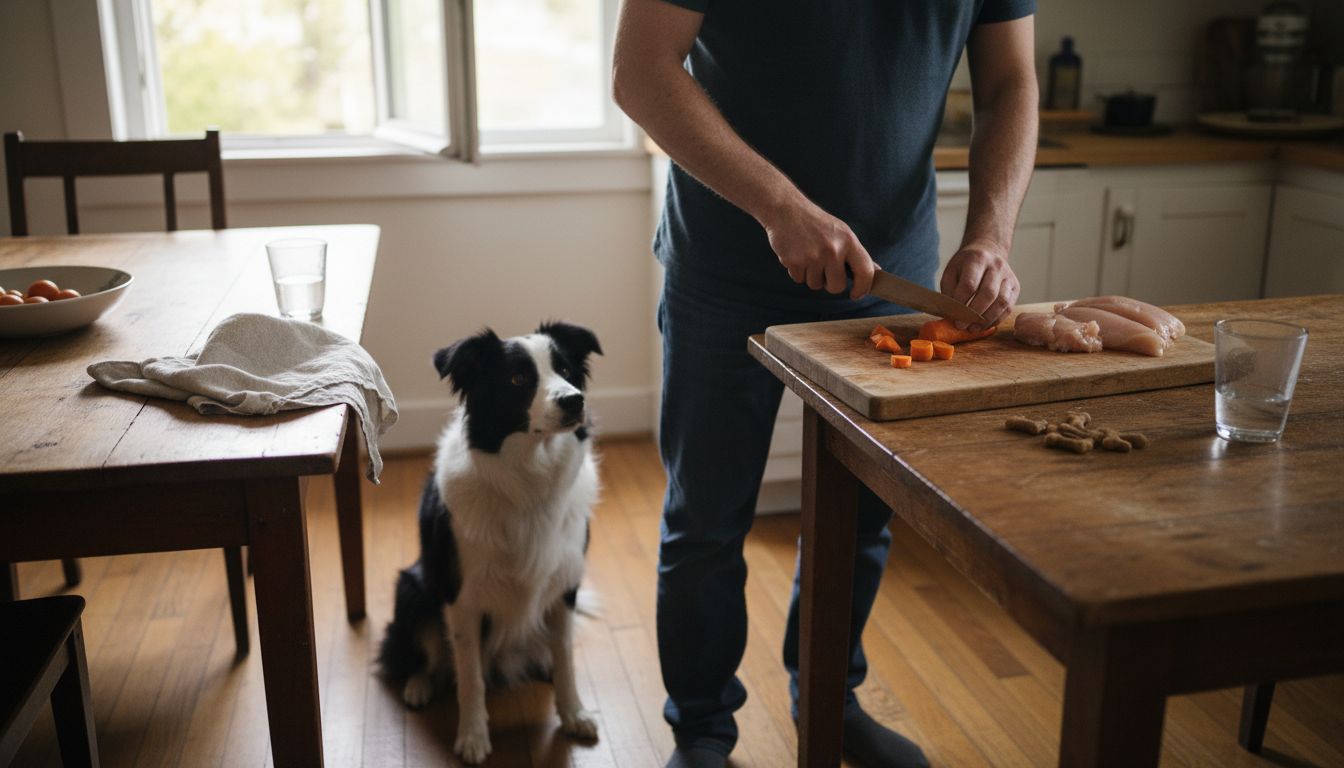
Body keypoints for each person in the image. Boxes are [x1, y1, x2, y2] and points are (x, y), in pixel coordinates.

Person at [612, 0, 1038, 765]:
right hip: (724, 268)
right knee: (706, 520)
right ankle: (702, 727)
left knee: (862, 520)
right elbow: (641, 74)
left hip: (891, 273)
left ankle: (828, 703)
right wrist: (779, 205)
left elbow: (1011, 84)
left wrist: (990, 235)